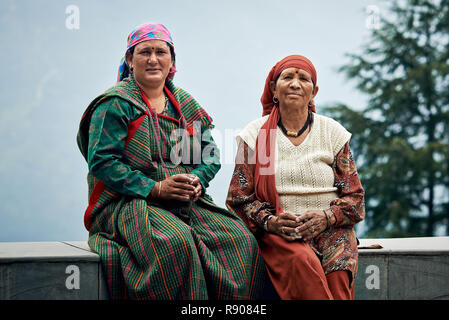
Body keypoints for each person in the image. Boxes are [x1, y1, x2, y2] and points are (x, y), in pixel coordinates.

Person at [76, 22, 265, 300]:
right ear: (130, 60)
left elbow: (210, 155)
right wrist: (156, 189)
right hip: (128, 202)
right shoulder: (115, 104)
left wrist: (197, 180)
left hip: (185, 200)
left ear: (171, 60)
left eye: (161, 52)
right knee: (175, 242)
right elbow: (103, 162)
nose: (153, 59)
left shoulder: (184, 105)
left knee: (239, 241)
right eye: (144, 52)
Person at [226, 55, 365, 300]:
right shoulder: (258, 136)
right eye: (287, 77)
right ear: (273, 89)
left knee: (338, 278)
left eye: (304, 79)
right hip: (281, 231)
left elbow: (355, 199)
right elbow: (237, 200)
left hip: (331, 229)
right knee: (303, 264)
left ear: (314, 91)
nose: (295, 84)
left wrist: (326, 217)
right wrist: (271, 222)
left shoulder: (332, 133)